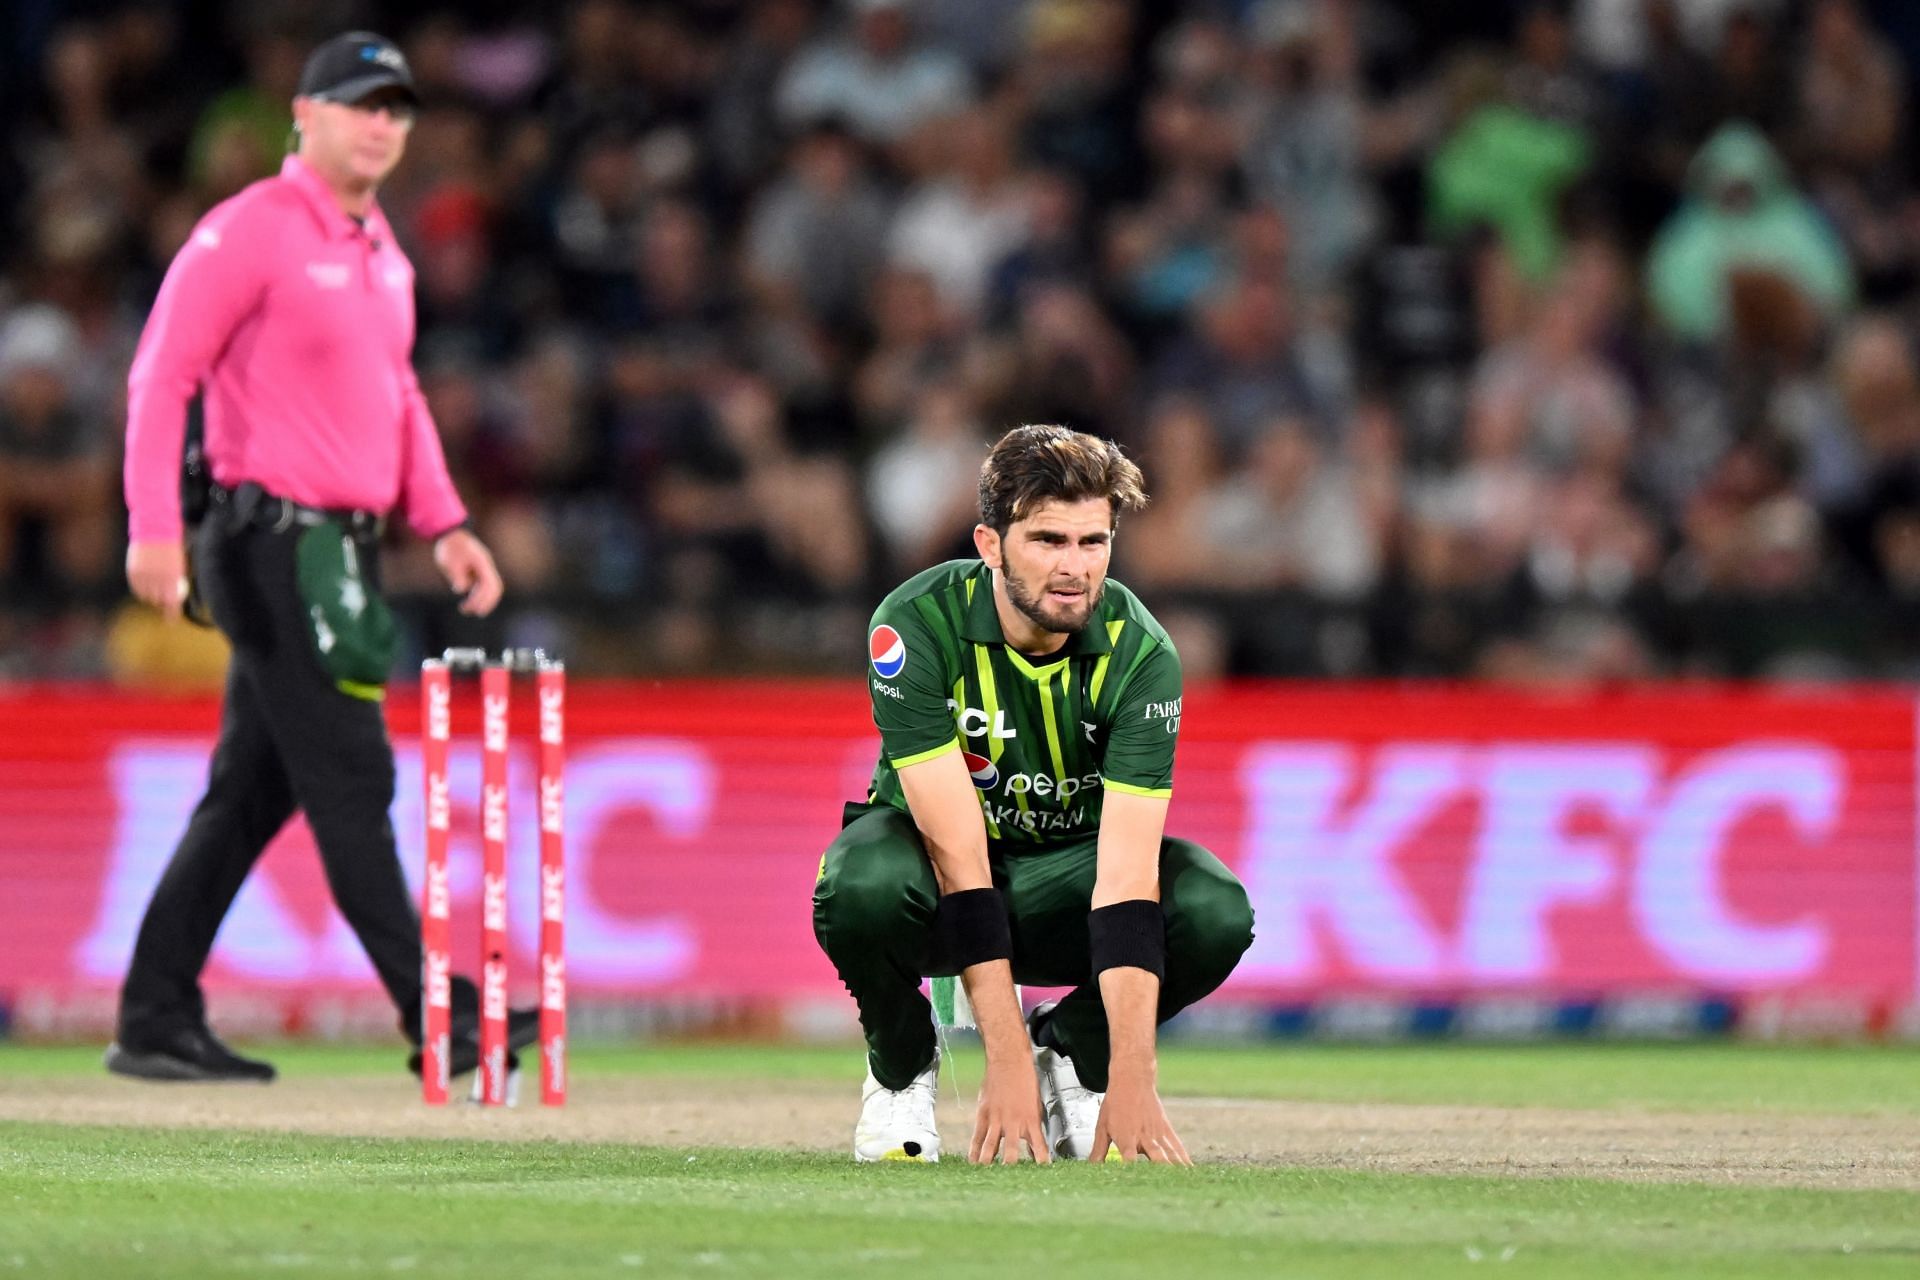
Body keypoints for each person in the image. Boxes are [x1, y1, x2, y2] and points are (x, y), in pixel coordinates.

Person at [110, 32, 532, 1083]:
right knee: (351, 770)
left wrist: (446, 523)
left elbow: (396, 402)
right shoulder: (247, 230)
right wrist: (153, 524)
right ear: (304, 115)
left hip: (336, 551)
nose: (382, 123)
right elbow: (160, 378)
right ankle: (443, 1011)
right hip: (264, 542)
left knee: (251, 792)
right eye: (359, 104)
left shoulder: (382, 254)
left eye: (396, 108)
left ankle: (155, 1011)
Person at [813, 425, 1255, 1163]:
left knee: (1213, 909)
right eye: (1049, 540)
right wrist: (1003, 1056)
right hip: (935, 880)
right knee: (861, 883)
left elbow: (1124, 878)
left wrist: (1131, 1075)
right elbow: (957, 856)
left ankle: (1075, 1054)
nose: (1074, 569)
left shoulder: (1142, 654)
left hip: (1065, 885)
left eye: (1093, 542)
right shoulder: (913, 626)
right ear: (990, 545)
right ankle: (900, 1066)